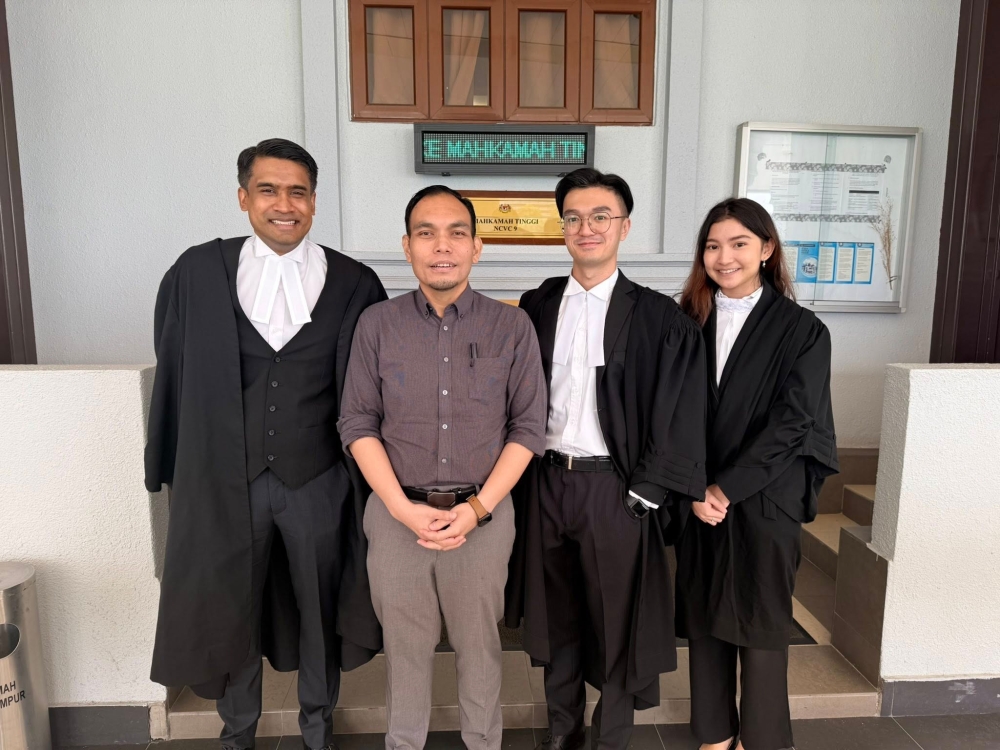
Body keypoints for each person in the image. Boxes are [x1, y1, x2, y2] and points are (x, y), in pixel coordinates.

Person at [145, 138, 387, 750]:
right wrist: (169, 466)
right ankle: (238, 733)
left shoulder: (356, 282)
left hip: (320, 479)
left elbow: (374, 382)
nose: (285, 204)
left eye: (298, 192)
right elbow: (172, 365)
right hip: (227, 479)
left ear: (313, 201)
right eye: (269, 190)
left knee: (319, 610)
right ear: (243, 197)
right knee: (230, 608)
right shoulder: (195, 272)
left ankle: (317, 729)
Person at [337, 185, 548, 750]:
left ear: (477, 247)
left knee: (480, 647)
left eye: (457, 232)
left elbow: (527, 429)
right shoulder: (377, 325)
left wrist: (477, 509)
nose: (442, 246)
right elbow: (357, 423)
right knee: (404, 648)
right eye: (426, 233)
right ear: (407, 246)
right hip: (395, 510)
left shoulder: (512, 328)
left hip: (483, 511)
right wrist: (402, 510)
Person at [505, 168, 708, 750]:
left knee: (617, 623)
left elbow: (680, 410)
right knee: (555, 619)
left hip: (616, 492)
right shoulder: (537, 304)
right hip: (545, 483)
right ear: (561, 227)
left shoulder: (659, 319)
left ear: (625, 227)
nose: (586, 228)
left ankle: (610, 737)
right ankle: (562, 735)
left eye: (601, 217)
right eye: (573, 217)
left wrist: (649, 489)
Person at [676, 198, 839, 750]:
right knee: (705, 615)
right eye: (713, 245)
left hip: (767, 495)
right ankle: (715, 734)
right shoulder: (686, 320)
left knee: (764, 620)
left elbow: (795, 422)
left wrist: (726, 486)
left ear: (766, 250)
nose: (725, 257)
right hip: (698, 493)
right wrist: (695, 485)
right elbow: (670, 411)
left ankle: (763, 739)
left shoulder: (802, 330)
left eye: (740, 244)